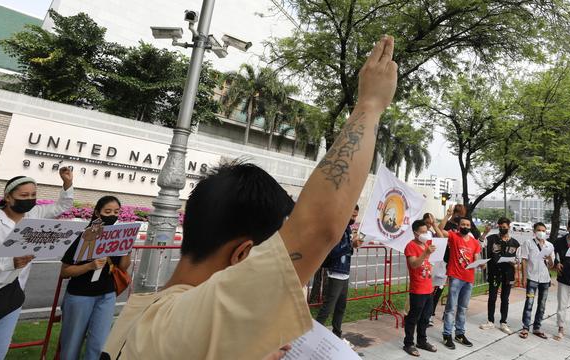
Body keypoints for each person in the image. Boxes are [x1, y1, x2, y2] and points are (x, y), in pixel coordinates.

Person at [101, 35, 398, 360]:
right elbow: (317, 228)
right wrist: (370, 104)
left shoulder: (141, 315)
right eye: (272, 248)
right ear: (242, 255)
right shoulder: (190, 322)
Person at [0, 169, 74, 359]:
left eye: (33, 195)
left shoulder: (33, 215)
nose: (29, 199)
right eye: (24, 195)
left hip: (14, 295)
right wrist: (9, 262)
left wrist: (67, 183)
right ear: (8, 197)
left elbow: (62, 205)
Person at [59, 196, 132, 360]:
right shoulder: (86, 236)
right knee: (71, 343)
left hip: (107, 295)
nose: (112, 215)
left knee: (99, 343)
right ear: (98, 212)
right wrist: (89, 266)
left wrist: (127, 248)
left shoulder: (117, 235)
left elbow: (122, 267)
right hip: (80, 296)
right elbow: (64, 271)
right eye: (108, 211)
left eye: (116, 212)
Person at [315, 205, 362, 339]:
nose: (354, 218)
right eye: (353, 215)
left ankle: (337, 334)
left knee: (341, 306)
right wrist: (350, 245)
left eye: (356, 216)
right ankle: (314, 334)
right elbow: (334, 251)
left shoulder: (347, 229)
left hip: (344, 272)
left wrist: (353, 245)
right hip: (336, 272)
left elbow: (347, 251)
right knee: (328, 306)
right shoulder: (339, 229)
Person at [438, 217, 483, 349]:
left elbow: (476, 257)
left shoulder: (475, 242)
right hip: (456, 276)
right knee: (451, 308)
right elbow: (440, 229)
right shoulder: (453, 236)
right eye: (463, 224)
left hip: (469, 278)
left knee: (463, 308)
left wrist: (481, 264)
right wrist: (447, 216)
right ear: (459, 226)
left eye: (467, 224)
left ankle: (459, 333)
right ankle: (447, 335)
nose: (465, 226)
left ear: (470, 227)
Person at [403, 219, 438, 356]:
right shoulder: (411, 246)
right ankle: (408, 343)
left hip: (428, 286)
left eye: (427, 231)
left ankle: (422, 341)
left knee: (425, 317)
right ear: (415, 233)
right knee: (413, 317)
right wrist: (425, 253)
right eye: (423, 232)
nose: (426, 234)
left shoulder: (427, 244)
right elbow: (414, 264)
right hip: (417, 288)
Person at [480, 217, 519, 334]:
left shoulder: (515, 243)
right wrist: (485, 232)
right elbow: (480, 243)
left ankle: (503, 322)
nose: (502, 229)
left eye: (504, 227)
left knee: (505, 298)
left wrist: (515, 264)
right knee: (492, 297)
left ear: (509, 227)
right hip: (494, 272)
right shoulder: (492, 239)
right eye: (500, 227)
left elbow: (518, 260)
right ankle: (490, 321)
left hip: (508, 273)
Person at [519, 222, 555, 340]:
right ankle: (525, 327)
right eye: (539, 230)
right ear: (534, 231)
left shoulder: (549, 246)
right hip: (532, 278)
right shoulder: (528, 243)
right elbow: (524, 260)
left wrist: (549, 258)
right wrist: (524, 277)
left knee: (542, 304)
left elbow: (551, 265)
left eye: (544, 230)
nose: (541, 232)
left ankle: (537, 327)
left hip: (545, 279)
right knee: (529, 302)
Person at [422, 213, 446, 327]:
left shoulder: (431, 232)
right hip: (423, 265)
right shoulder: (421, 234)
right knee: (424, 293)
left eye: (430, 223)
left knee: (433, 293)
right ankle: (421, 316)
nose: (428, 225)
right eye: (427, 223)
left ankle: (429, 316)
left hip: (433, 266)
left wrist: (434, 225)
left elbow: (441, 238)